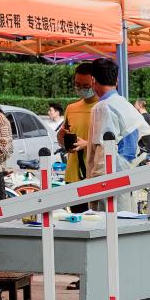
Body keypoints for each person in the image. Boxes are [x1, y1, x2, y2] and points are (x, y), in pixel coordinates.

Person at [85, 58, 142, 211]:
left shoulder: (102, 107)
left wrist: (96, 186)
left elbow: (103, 151)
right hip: (127, 173)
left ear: (93, 80)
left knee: (108, 221)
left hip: (110, 179)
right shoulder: (124, 103)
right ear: (116, 80)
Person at [56, 63, 97, 208]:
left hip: (95, 176)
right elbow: (63, 140)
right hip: (72, 175)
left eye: (86, 86)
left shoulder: (103, 107)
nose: (81, 89)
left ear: (95, 82)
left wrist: (87, 144)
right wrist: (60, 137)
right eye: (77, 85)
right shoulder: (71, 108)